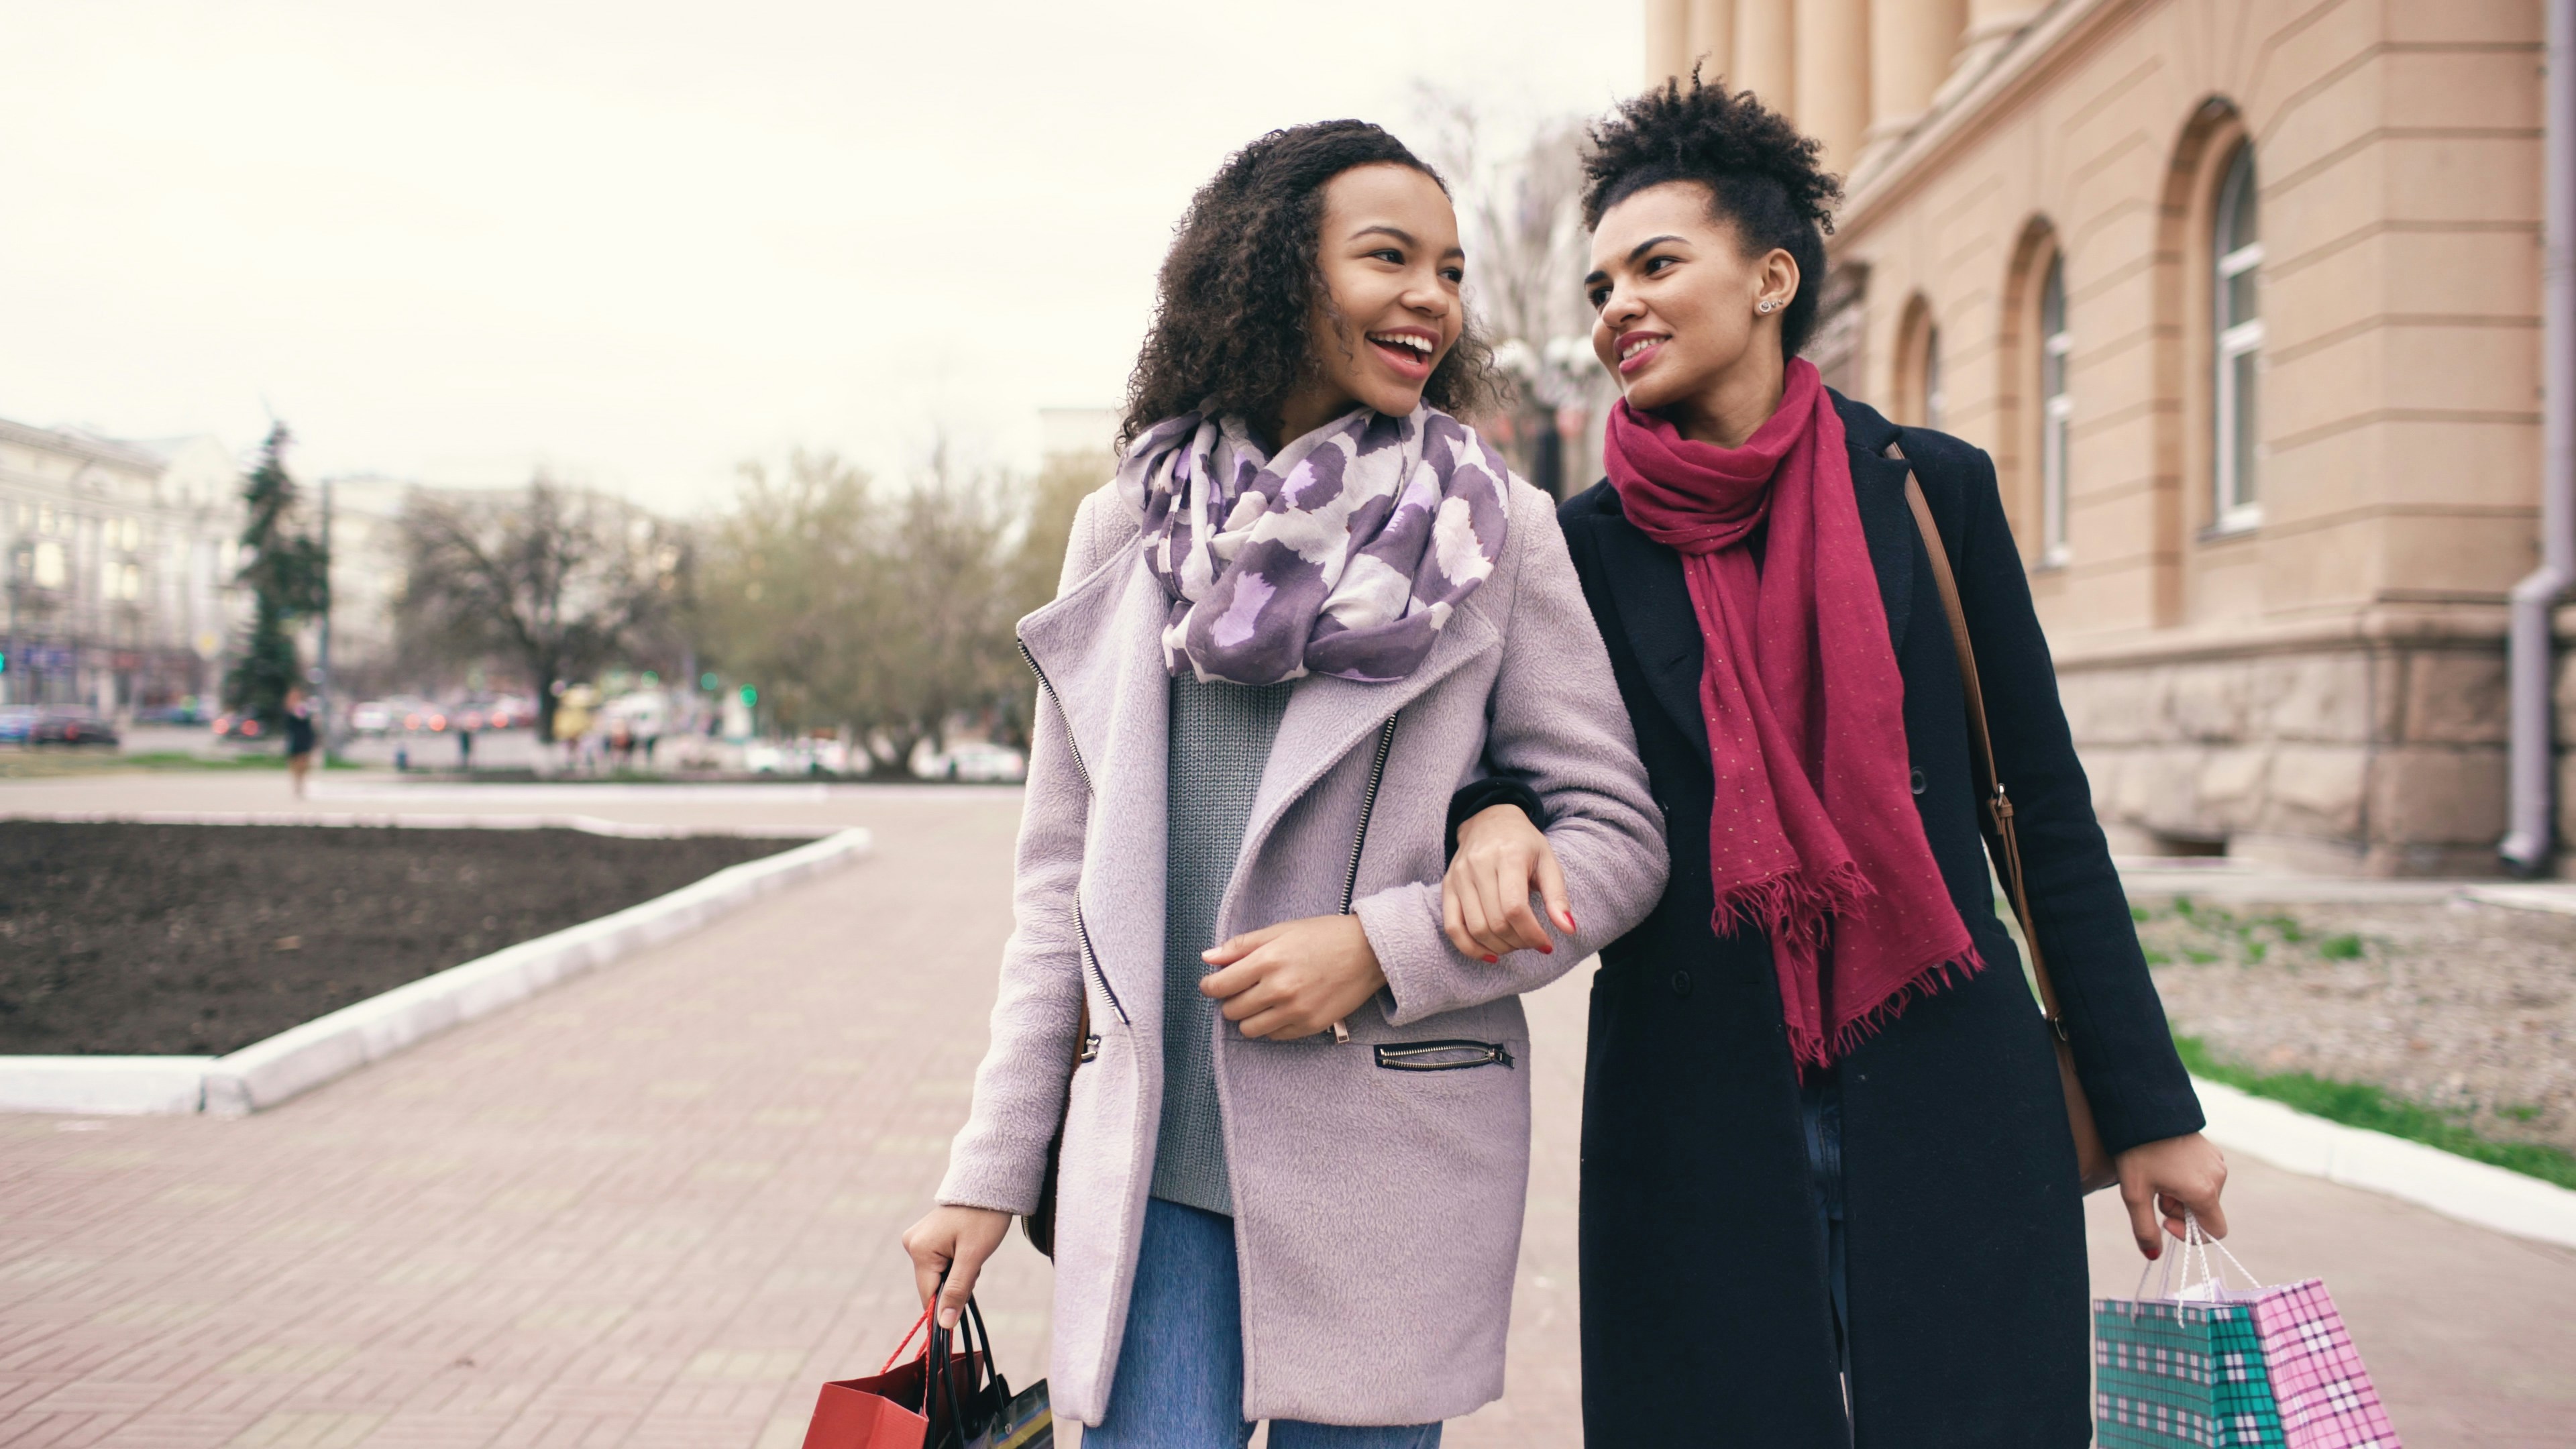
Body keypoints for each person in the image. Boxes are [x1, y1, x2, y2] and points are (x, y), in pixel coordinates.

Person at [1440, 78, 2229, 1445]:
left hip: (1946, 1079)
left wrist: (2151, 1110)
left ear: (1772, 278)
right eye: (1600, 281)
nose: (1616, 304)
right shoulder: (1572, 548)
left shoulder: (1932, 491)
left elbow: (2040, 813)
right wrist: (1489, 818)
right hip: (1696, 1106)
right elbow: (1510, 761)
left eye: (1657, 264)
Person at [902, 120, 1668, 1447]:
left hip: (1388, 1167)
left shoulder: (1496, 527)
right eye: (1389, 257)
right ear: (1269, 272)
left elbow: (1615, 840)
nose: (1432, 295)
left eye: (1452, 269)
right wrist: (992, 1164)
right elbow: (1059, 891)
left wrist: (1385, 946)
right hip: (1152, 1179)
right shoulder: (1125, 529)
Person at [282, 686, 317, 798]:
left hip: (303, 737)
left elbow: (304, 719)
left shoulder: (302, 708)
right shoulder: (288, 708)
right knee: (293, 762)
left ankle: (301, 784)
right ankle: (297, 784)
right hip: (294, 738)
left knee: (303, 761)